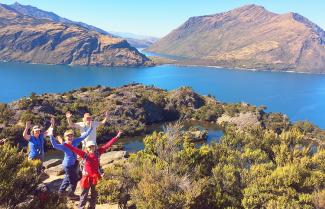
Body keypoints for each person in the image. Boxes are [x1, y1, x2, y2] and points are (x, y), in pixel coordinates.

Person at [64, 131, 122, 209]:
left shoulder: (98, 152)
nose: (91, 148)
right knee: (84, 195)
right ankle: (81, 207)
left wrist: (117, 136)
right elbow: (74, 149)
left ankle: (92, 207)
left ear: (95, 147)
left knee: (94, 195)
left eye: (93, 146)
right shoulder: (84, 154)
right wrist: (65, 144)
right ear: (86, 148)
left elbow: (108, 145)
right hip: (86, 178)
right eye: (89, 147)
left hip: (96, 177)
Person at [48, 118, 93, 200]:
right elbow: (54, 145)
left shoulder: (75, 141)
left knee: (68, 177)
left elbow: (84, 135)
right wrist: (51, 136)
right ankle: (70, 195)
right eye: (68, 136)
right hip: (68, 165)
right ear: (65, 138)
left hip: (74, 163)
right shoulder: (64, 146)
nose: (70, 137)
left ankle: (61, 191)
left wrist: (90, 128)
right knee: (73, 180)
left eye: (71, 136)